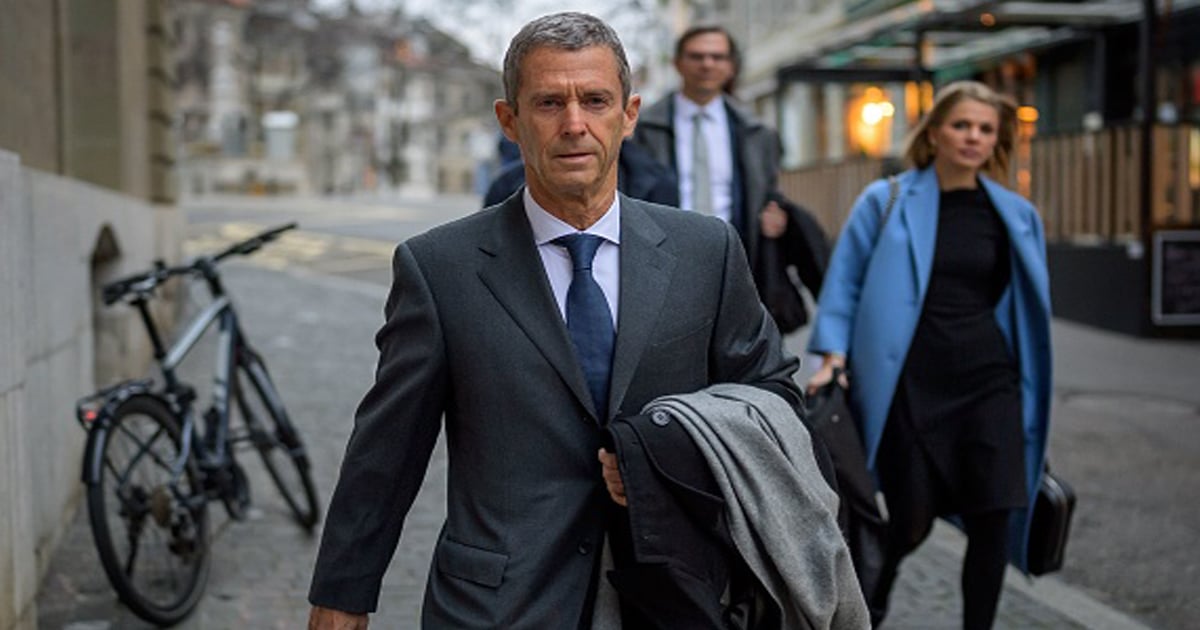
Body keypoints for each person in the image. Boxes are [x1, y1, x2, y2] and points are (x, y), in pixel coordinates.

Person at [307, 12, 805, 628]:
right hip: (499, 602)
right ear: (509, 121)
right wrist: (341, 595)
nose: (574, 125)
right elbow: (388, 448)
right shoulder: (440, 268)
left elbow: (774, 395)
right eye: (549, 103)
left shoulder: (707, 251)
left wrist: (666, 455)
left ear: (628, 116)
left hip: (677, 593)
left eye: (595, 100)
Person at [805, 80, 1053, 629]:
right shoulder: (887, 199)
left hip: (990, 382)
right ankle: (868, 605)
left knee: (993, 518)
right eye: (962, 125)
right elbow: (844, 282)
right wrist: (831, 355)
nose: (973, 137)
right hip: (908, 385)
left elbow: (1023, 307)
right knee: (910, 519)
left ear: (997, 140)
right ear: (936, 131)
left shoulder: (1015, 214)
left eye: (986, 129)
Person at [632, 26, 827, 334]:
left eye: (717, 56)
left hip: (737, 259)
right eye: (697, 56)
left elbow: (769, 189)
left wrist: (775, 211)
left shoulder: (757, 132)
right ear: (678, 63)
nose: (707, 64)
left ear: (731, 65)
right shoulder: (642, 130)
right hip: (665, 260)